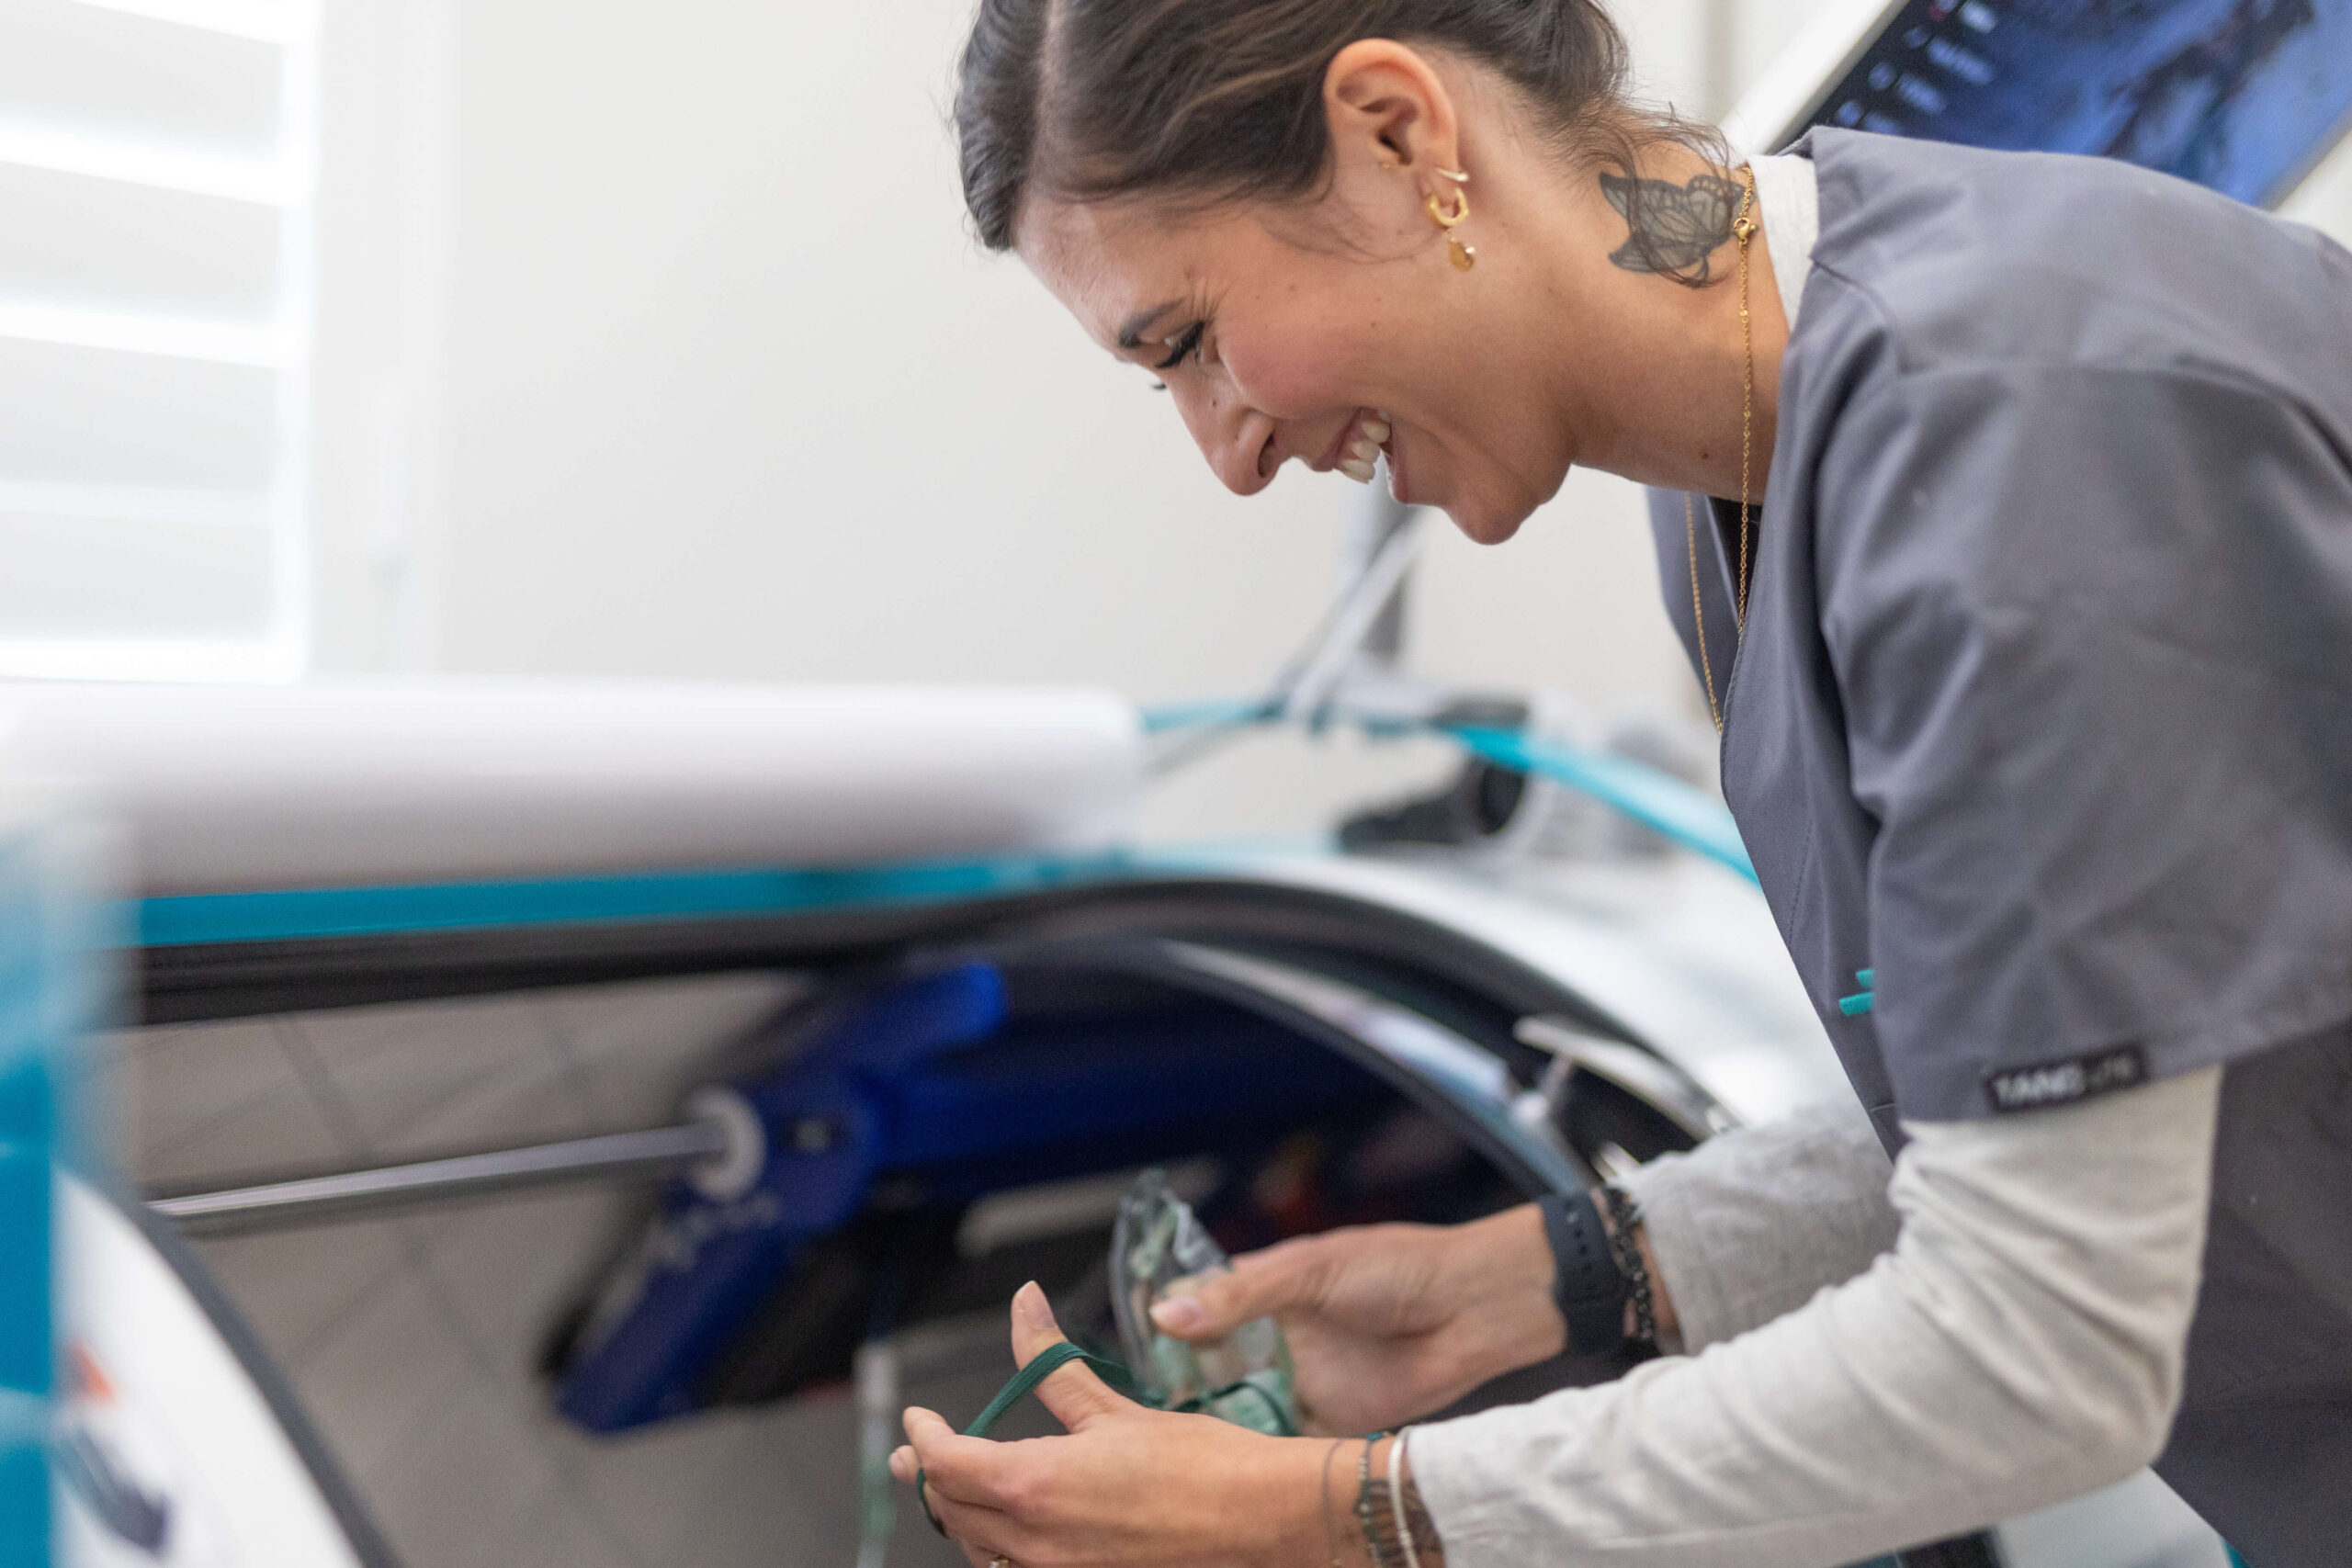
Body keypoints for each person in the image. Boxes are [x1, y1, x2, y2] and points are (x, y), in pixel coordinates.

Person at [887, 3, 2352, 1564]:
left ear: (1400, 137)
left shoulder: (2011, 435)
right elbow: (2092, 1068)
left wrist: (1338, 1517)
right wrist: (1558, 1278)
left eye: (1187, 342)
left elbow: (2043, 1345)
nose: (1226, 454)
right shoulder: (1734, 471)